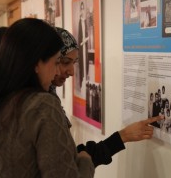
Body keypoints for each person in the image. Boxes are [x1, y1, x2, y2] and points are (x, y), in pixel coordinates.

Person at [0, 18, 94, 178]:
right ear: (37, 64)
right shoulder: (42, 105)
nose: (57, 72)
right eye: (57, 62)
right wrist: (85, 162)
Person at [51, 27, 164, 167]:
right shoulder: (41, 107)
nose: (72, 72)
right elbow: (67, 167)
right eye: (65, 62)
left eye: (74, 63)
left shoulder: (49, 99)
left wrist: (123, 136)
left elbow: (70, 158)